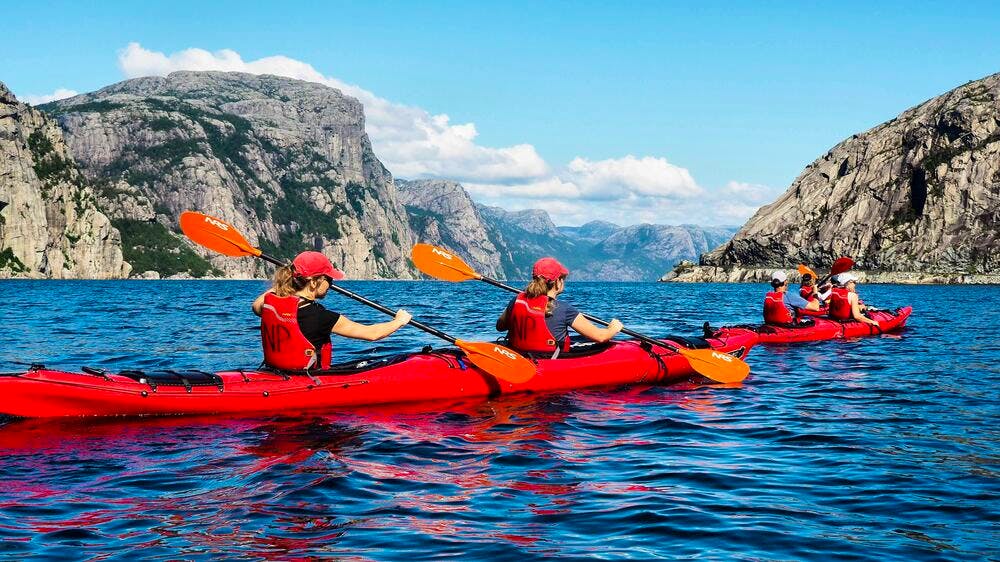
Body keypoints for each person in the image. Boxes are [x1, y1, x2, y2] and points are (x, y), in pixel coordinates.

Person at [252, 251, 411, 371]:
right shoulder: (321, 317)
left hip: (276, 372)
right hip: (306, 378)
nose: (331, 284)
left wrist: (289, 279)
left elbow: (256, 305)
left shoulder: (271, 305)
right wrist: (399, 321)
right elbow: (372, 334)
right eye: (329, 279)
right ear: (314, 282)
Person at [496, 257, 623, 357]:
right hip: (549, 360)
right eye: (563, 279)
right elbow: (600, 337)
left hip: (519, 355)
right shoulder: (563, 309)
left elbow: (500, 326)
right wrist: (613, 328)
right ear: (557, 282)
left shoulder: (517, 301)